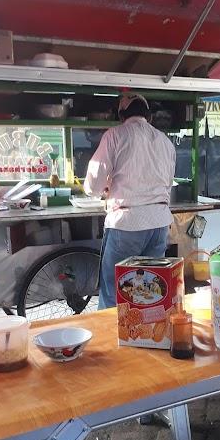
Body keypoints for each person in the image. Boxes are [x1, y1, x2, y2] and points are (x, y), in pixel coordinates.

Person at [84, 93, 175, 309]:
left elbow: (94, 182)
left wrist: (98, 190)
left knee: (115, 291)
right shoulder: (165, 141)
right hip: (159, 223)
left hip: (127, 223)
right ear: (149, 117)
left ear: (121, 116)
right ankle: (144, 336)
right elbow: (168, 183)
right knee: (150, 291)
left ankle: (110, 340)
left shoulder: (115, 135)